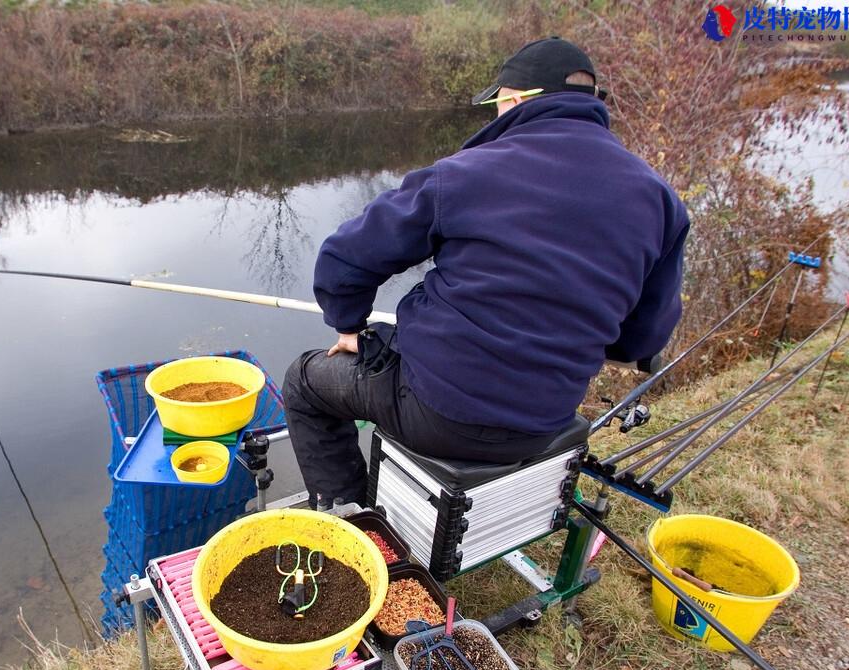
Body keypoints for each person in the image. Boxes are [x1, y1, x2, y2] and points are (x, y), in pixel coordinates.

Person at [282, 37, 689, 510]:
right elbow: (639, 342)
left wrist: (349, 324)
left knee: (304, 382)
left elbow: (345, 258)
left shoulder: (465, 174)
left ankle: (352, 526)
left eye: (497, 104)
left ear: (514, 100)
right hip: (547, 420)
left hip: (437, 412)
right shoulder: (660, 200)